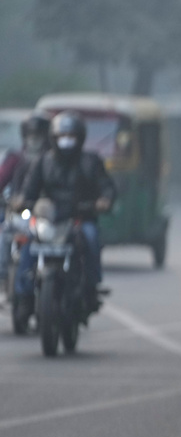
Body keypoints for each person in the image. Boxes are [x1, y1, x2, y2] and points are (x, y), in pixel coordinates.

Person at [17, 111, 117, 312]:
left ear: (79, 138)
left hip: (80, 218)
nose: (66, 141)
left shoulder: (91, 161)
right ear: (53, 138)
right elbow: (29, 190)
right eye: (62, 136)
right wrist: (21, 201)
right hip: (50, 219)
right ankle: (23, 293)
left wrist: (104, 200)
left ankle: (91, 287)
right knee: (27, 240)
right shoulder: (43, 162)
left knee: (91, 237)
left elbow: (106, 186)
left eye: (71, 136)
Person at [0, 112, 50, 306]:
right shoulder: (15, 158)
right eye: (31, 134)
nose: (34, 139)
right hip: (18, 210)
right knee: (4, 233)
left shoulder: (51, 159)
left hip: (44, 213)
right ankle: (3, 278)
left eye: (38, 134)